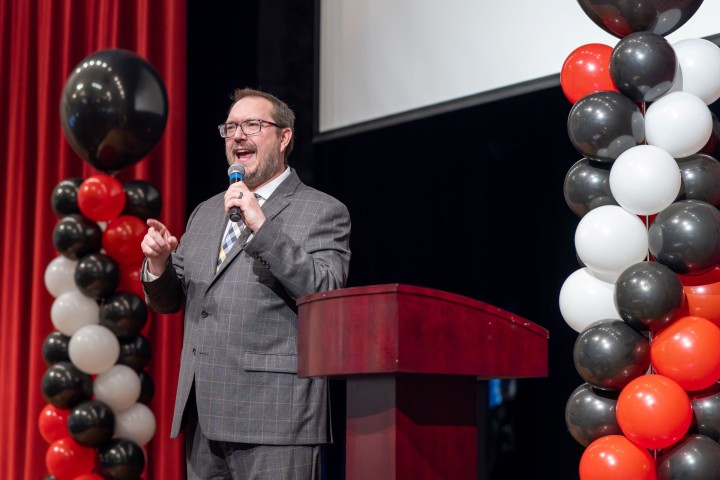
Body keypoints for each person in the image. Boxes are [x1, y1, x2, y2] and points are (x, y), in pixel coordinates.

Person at [140, 87, 351, 479]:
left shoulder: (323, 210)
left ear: (284, 137)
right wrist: (158, 264)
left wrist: (261, 226)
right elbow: (172, 301)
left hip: (275, 417)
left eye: (252, 125)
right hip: (204, 415)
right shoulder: (205, 213)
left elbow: (326, 291)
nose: (238, 135)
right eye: (231, 127)